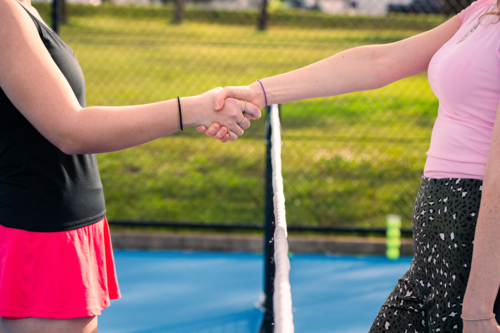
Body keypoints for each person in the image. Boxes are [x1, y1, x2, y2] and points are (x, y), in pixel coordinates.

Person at [199, 0, 500, 332]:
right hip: (435, 256)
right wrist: (259, 93)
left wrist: (479, 306)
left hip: (475, 252)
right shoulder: (483, 10)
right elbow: (379, 61)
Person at [0, 0, 261, 332]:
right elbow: (70, 129)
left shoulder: (22, 7)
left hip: (67, 227)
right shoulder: (3, 12)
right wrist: (194, 109)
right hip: (41, 236)